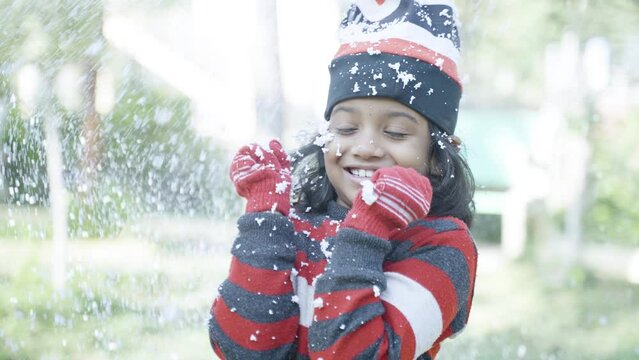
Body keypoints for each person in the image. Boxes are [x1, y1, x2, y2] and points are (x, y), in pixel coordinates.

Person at [208, 0, 478, 359]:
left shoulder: (443, 247)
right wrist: (265, 219)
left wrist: (368, 228)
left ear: (438, 156)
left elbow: (350, 354)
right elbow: (244, 350)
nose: (365, 148)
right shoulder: (294, 228)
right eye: (346, 128)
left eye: (396, 132)